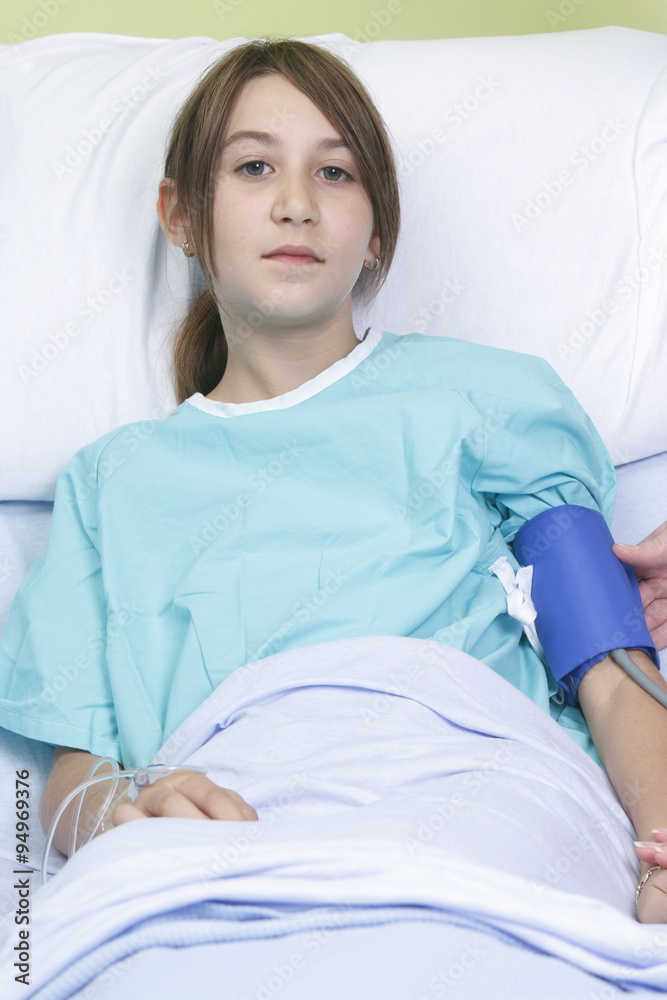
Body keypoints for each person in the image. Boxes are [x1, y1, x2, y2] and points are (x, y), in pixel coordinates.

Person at [1, 37, 666, 923]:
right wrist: (128, 816)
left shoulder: (488, 400)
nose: (295, 204)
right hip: (223, 832)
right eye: (253, 167)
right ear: (180, 215)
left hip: (477, 794)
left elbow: (610, 668)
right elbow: (69, 777)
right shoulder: (111, 484)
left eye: (335, 173)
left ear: (376, 229)